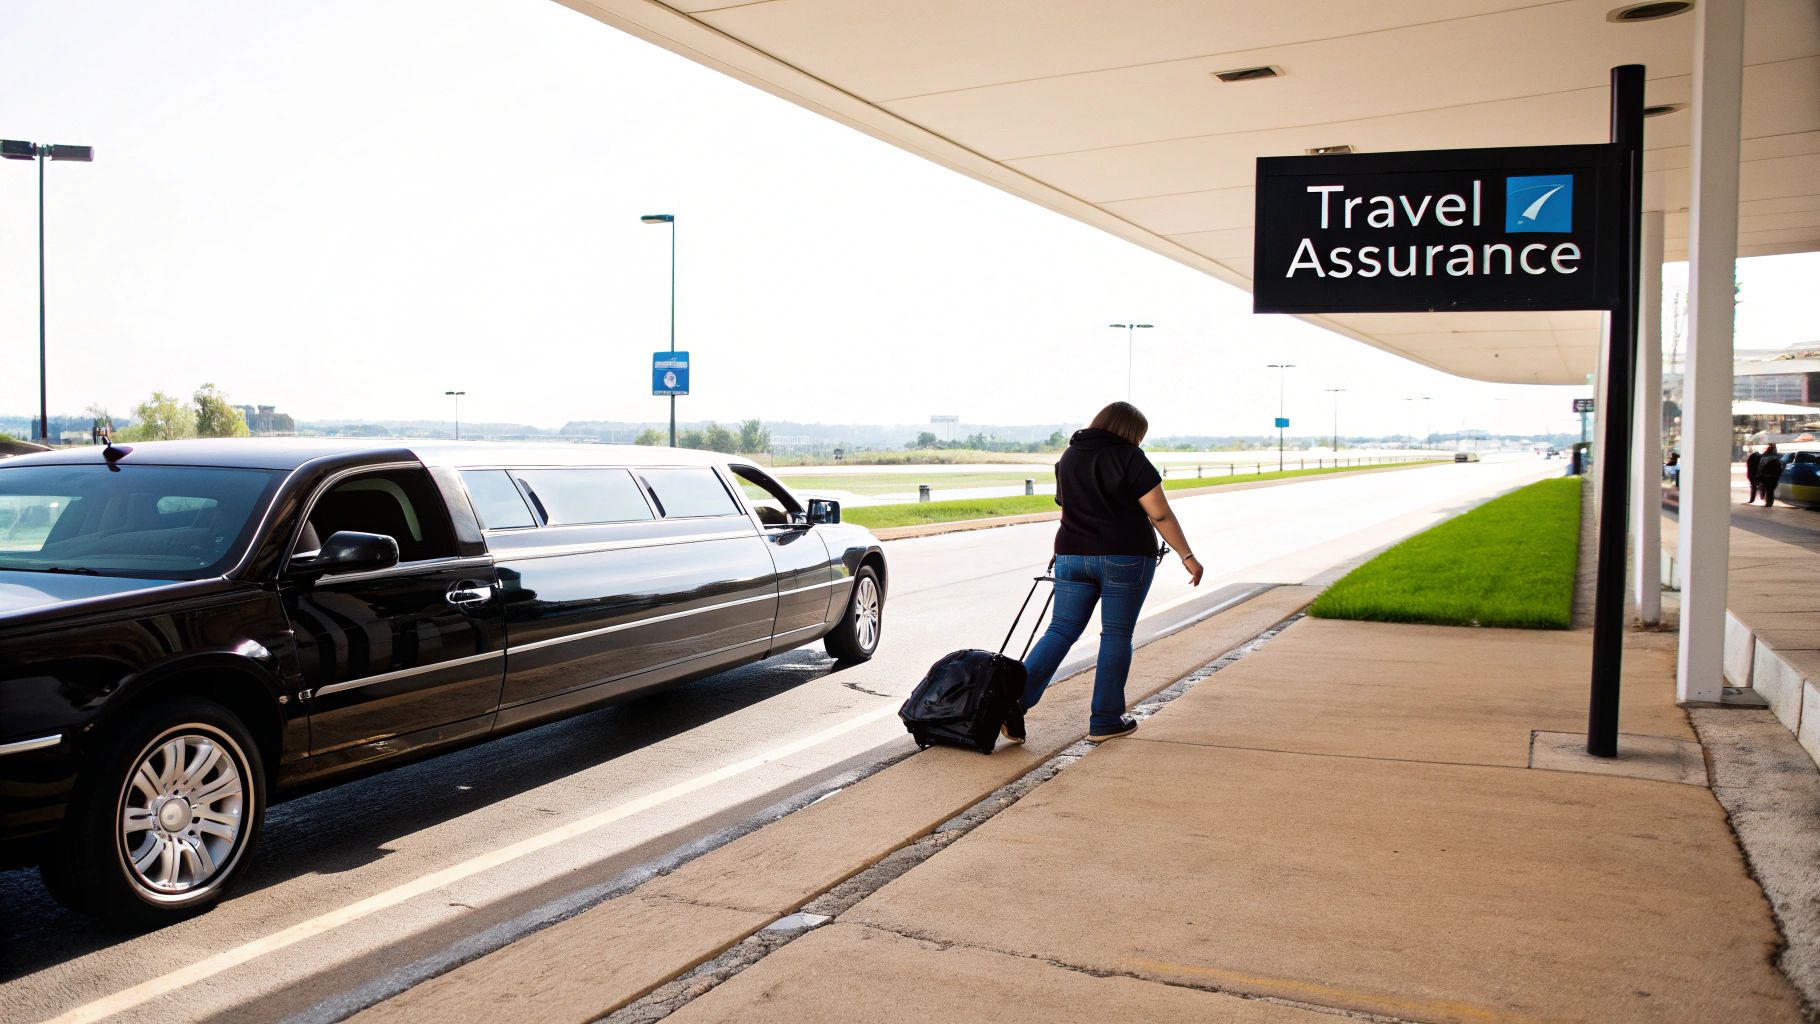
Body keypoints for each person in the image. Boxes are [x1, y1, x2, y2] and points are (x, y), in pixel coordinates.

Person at [1007, 401, 1202, 745]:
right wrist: (1187, 554)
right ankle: (1106, 720)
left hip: (1071, 554)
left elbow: (1069, 506)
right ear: (1130, 432)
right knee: (1115, 636)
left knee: (1060, 630)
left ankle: (1012, 704)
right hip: (1125, 556)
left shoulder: (1068, 457)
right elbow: (1159, 514)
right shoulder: (1129, 457)